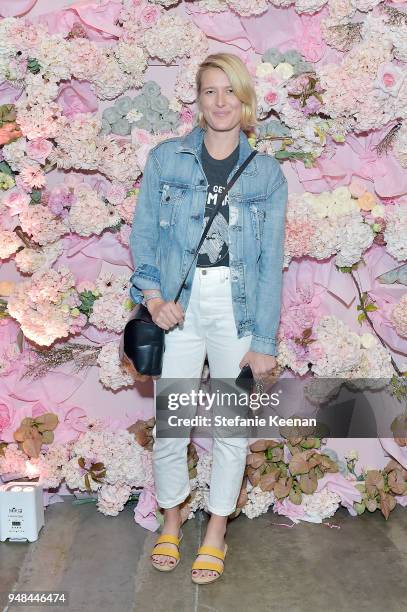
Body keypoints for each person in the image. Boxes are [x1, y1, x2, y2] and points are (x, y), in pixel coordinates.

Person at [129, 52, 288, 584]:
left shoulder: (267, 174)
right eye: (209, 91)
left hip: (236, 307)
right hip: (178, 304)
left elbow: (269, 264)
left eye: (230, 92)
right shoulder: (166, 160)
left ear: (246, 102)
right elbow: (145, 235)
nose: (220, 102)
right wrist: (153, 298)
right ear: (197, 100)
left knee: (231, 428)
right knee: (172, 423)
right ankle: (172, 518)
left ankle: (216, 529)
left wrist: (263, 339)